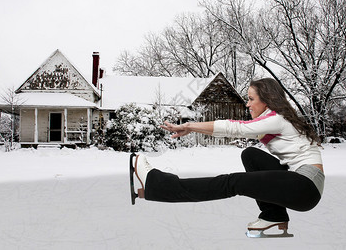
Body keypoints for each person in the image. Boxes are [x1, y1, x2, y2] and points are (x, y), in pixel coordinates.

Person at [132, 78, 324, 234]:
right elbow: (238, 128)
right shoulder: (276, 120)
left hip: (305, 187)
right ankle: (274, 215)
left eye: (251, 99)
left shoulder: (276, 119)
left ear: (266, 100)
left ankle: (159, 185)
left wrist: (189, 125)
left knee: (233, 182)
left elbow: (235, 128)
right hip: (304, 184)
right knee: (251, 155)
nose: (247, 104)